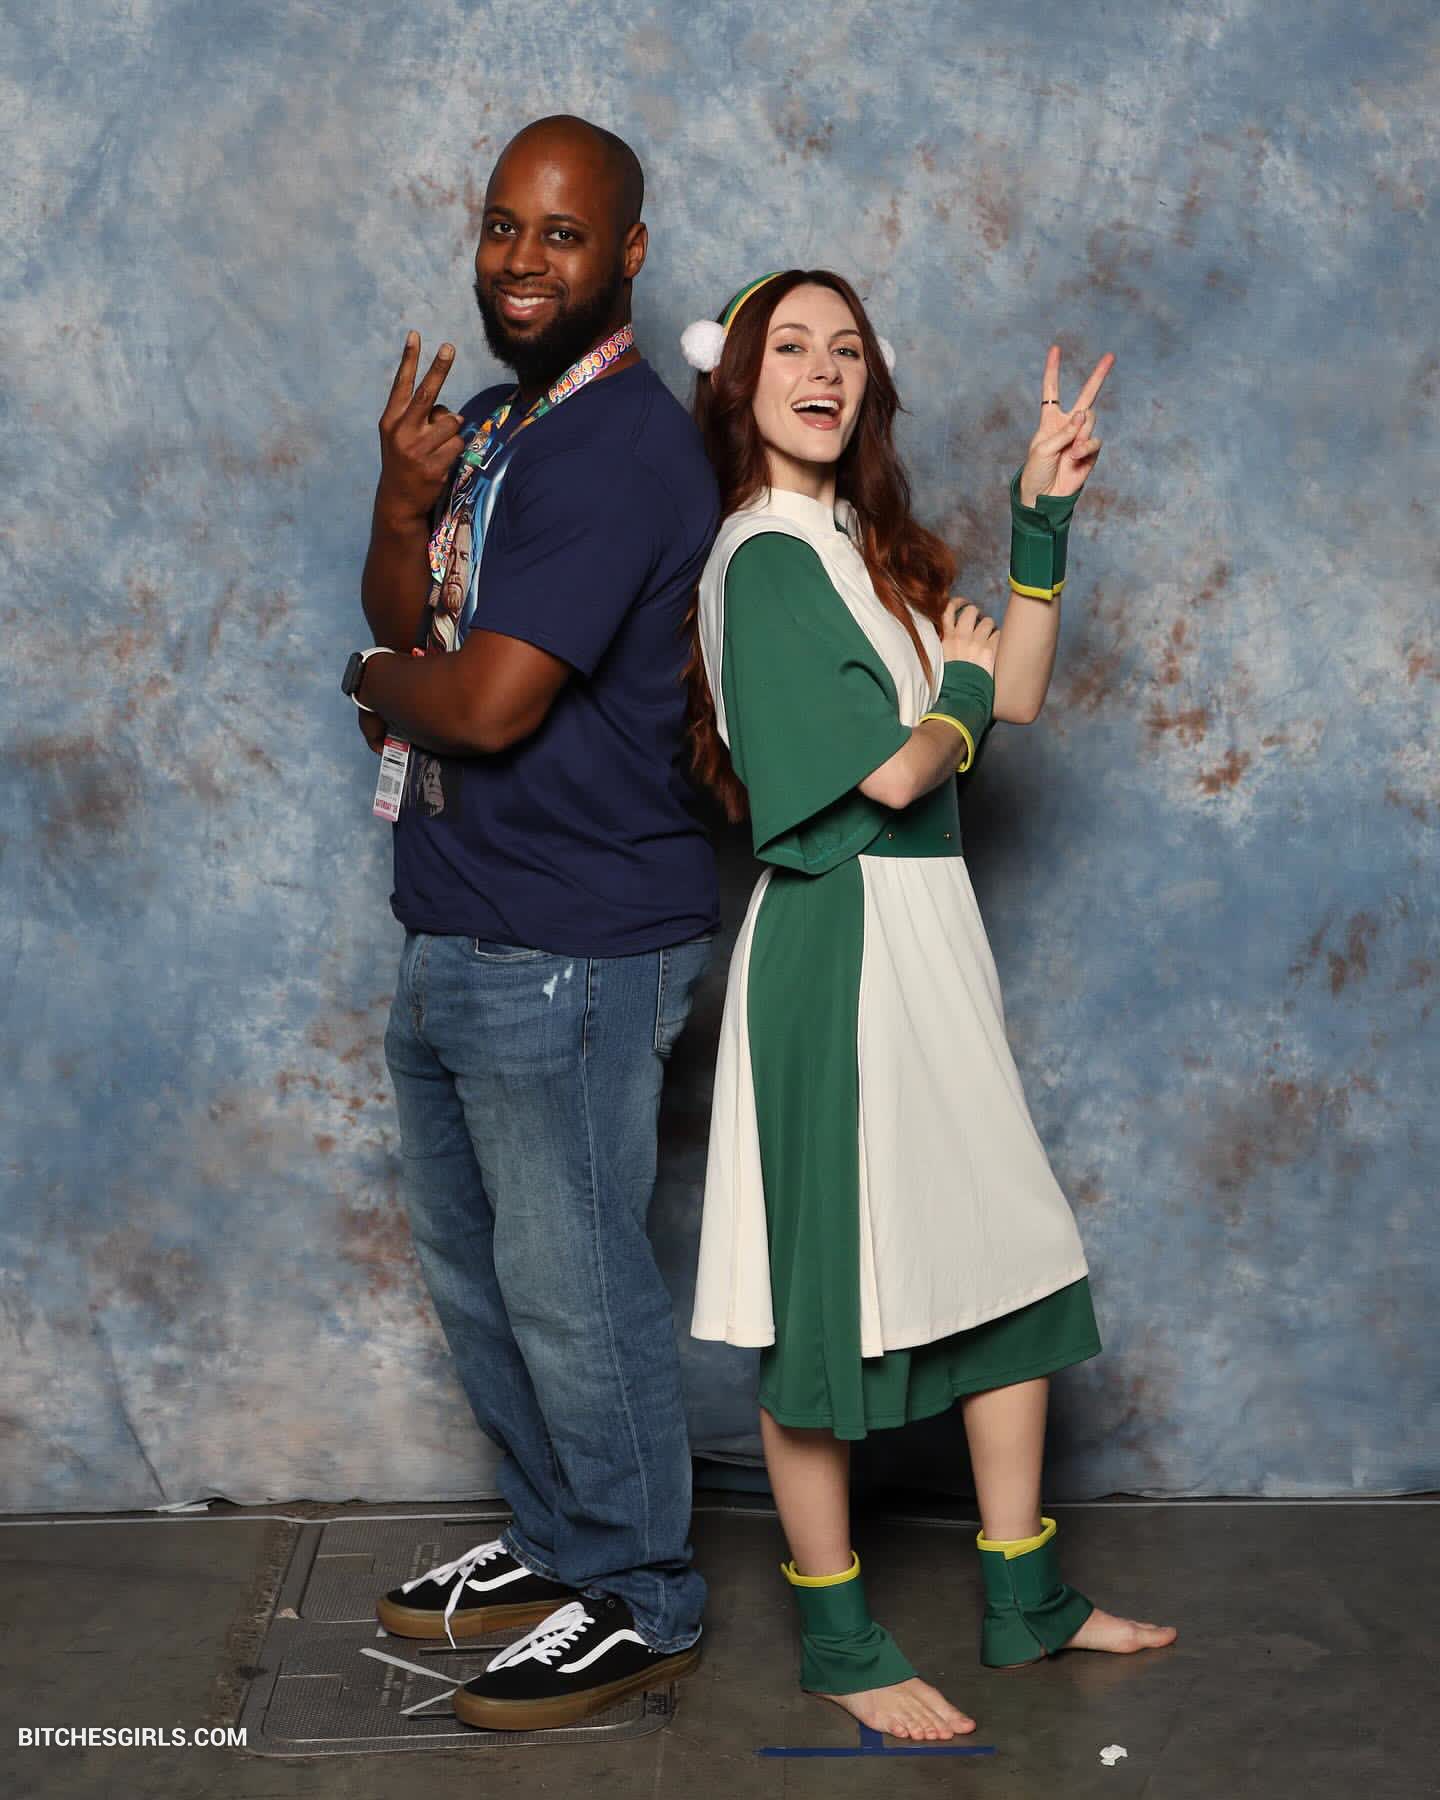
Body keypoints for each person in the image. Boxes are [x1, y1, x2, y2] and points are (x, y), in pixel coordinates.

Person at [682, 268, 1176, 1741]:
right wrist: (951, 690)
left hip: (927, 934)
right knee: (823, 1301)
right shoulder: (760, 559)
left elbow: (1004, 696)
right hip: (837, 942)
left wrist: (1040, 520)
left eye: (847, 350)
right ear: (740, 382)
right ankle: (839, 1641)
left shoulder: (856, 546)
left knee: (1007, 1249)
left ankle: (1023, 1600)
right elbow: (898, 770)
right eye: (791, 347)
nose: (823, 371)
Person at [340, 115, 720, 1732]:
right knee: (482, 1278)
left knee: (576, 1291)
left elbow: (482, 702)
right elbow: (416, 618)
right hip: (460, 919)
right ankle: (563, 1540)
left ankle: (641, 1592)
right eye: (504, 225)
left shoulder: (624, 448)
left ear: (625, 255)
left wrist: (372, 685)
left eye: (562, 234)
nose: (520, 260)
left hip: (575, 938)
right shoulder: (501, 428)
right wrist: (397, 502)